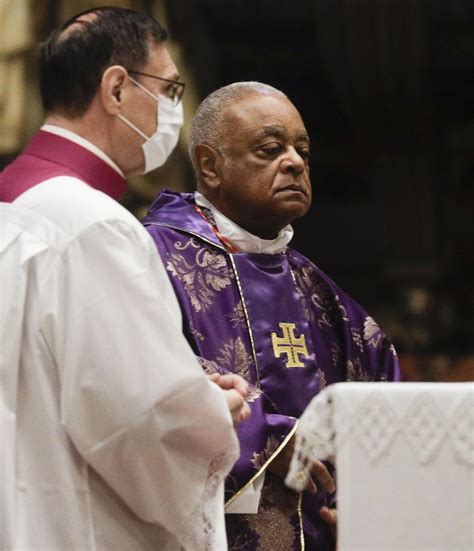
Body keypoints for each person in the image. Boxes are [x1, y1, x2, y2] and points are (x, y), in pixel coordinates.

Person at [0, 8, 251, 551]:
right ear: (116, 89)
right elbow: (141, 424)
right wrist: (210, 409)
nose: (173, 112)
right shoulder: (93, 225)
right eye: (169, 89)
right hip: (74, 522)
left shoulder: (16, 202)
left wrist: (178, 387)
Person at [143, 81, 401, 550]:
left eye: (302, 150)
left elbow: (383, 401)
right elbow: (137, 375)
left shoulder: (318, 291)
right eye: (270, 148)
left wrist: (366, 510)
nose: (296, 162)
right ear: (209, 164)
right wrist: (266, 437)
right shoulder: (150, 258)